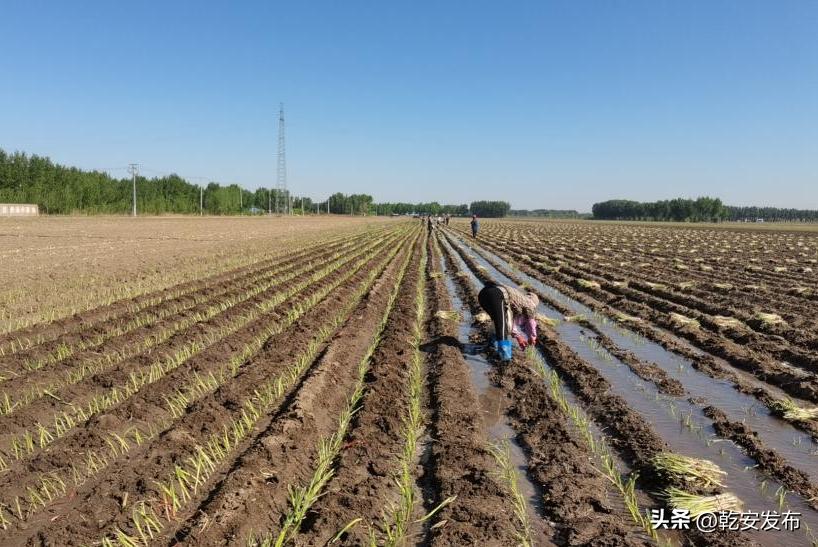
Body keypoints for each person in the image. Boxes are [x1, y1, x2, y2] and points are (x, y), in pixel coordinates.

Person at [478, 281, 538, 360]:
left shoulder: (518, 303)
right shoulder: (530, 305)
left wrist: (518, 337)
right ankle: (505, 357)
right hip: (496, 295)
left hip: (483, 295)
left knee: (498, 322)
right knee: (502, 325)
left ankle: (491, 345)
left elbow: (511, 323)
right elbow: (531, 323)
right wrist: (532, 337)